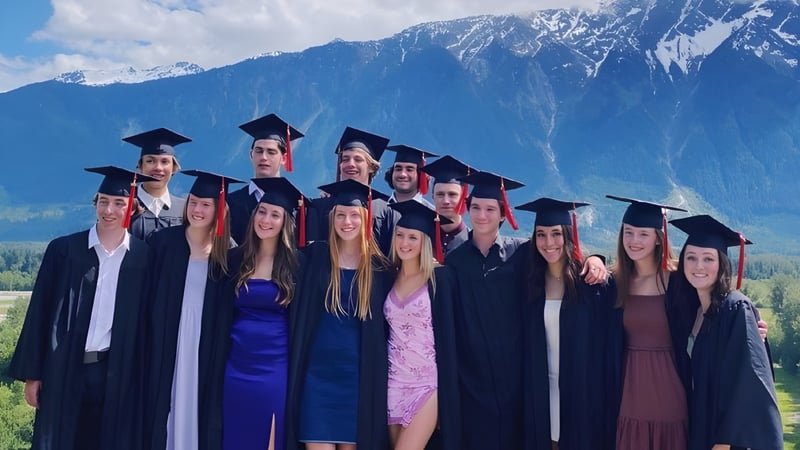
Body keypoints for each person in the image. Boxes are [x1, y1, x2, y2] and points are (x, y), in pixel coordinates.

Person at [444, 172, 606, 449]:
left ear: (504, 214)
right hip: (473, 381)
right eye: (475, 208)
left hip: (519, 381)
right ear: (467, 210)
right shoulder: (454, 262)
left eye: (490, 209)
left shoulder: (521, 254)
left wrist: (595, 259)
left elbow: (560, 255)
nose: (482, 215)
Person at [8, 166, 155, 450]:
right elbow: (38, 312)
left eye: (118, 203)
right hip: (63, 368)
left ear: (132, 208)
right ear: (95, 203)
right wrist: (33, 375)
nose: (108, 210)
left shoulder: (143, 257)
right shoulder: (64, 250)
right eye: (103, 201)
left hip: (116, 371)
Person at [286, 179, 394, 450]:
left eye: (354, 215)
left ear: (365, 218)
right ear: (332, 217)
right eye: (341, 215)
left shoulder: (380, 269)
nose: (347, 222)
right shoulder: (314, 258)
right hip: (317, 377)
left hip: (358, 378)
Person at [144, 170, 242, 450]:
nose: (197, 210)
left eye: (206, 204)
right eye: (194, 202)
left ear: (219, 210)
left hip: (207, 345)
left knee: (197, 404)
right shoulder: (163, 243)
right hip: (167, 340)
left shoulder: (229, 254)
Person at [669, 215, 782, 450]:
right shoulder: (693, 311)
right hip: (699, 429)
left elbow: (746, 382)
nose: (698, 266)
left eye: (708, 258)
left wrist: (724, 442)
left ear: (722, 264)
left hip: (725, 441)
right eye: (691, 257)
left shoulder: (735, 308)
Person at [515, 198, 616, 450]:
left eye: (556, 234)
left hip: (582, 390)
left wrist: (595, 258)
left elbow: (609, 343)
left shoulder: (591, 285)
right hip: (540, 388)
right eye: (541, 234)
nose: (549, 243)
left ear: (569, 235)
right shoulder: (529, 282)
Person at [222, 176, 308, 450]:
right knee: (236, 436)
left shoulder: (297, 264)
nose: (266, 220)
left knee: (270, 438)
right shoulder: (237, 259)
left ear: (285, 222)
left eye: (275, 214)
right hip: (236, 365)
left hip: (275, 367)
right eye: (262, 211)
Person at [604, 195, 690, 450]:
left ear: (658, 237)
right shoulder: (613, 282)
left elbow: (715, 307)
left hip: (671, 388)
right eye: (628, 233)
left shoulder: (679, 281)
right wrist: (594, 259)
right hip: (628, 389)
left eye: (643, 234)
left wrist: (751, 325)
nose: (633, 241)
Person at [384, 200, 460, 450]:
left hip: (427, 386)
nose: (404, 243)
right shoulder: (387, 277)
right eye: (400, 235)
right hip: (393, 382)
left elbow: (451, 334)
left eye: (412, 237)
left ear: (425, 241)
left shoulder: (440, 278)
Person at [305, 126, 396, 255]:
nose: (350, 164)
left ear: (371, 167)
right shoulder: (321, 206)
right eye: (345, 159)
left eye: (358, 159)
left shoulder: (387, 210)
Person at [227, 113, 305, 244]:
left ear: (284, 158)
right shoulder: (231, 202)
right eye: (258, 151)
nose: (263, 157)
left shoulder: (297, 205)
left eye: (271, 152)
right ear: (251, 155)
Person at [122, 127, 192, 241]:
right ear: (140, 166)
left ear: (174, 168)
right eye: (150, 161)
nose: (158, 168)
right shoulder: (122, 204)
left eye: (165, 162)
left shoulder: (185, 210)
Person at [418, 155, 474, 255]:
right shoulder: (419, 238)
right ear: (432, 197)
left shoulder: (473, 244)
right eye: (440, 194)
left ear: (464, 198)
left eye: (452, 195)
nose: (445, 201)